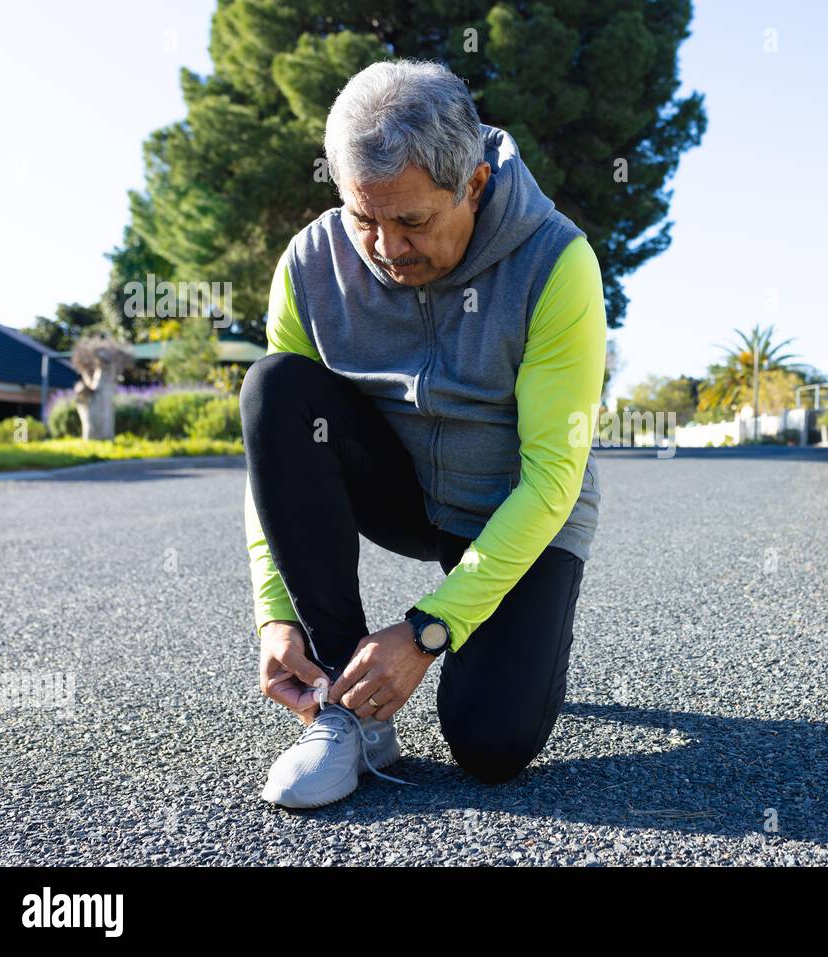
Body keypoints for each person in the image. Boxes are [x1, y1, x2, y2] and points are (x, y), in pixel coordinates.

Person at [240, 59, 606, 809]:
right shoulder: (310, 264)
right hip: (400, 490)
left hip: (513, 507)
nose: (388, 248)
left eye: (412, 221)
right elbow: (274, 454)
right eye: (363, 217)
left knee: (491, 746)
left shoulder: (556, 263)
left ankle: (527, 642)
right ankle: (345, 706)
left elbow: (550, 479)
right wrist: (275, 612)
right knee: (273, 385)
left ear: (471, 185)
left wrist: (429, 629)